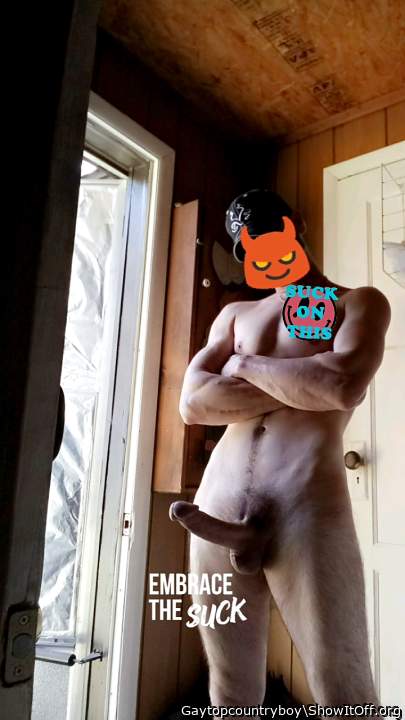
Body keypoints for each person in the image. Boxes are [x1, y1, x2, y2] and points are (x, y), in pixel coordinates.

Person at [170, 189, 390, 710]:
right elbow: (193, 403)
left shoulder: (356, 302)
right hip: (216, 504)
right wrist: (304, 379)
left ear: (298, 226)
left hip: (306, 507)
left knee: (345, 693)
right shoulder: (234, 314)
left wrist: (243, 366)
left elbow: (341, 386)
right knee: (229, 692)